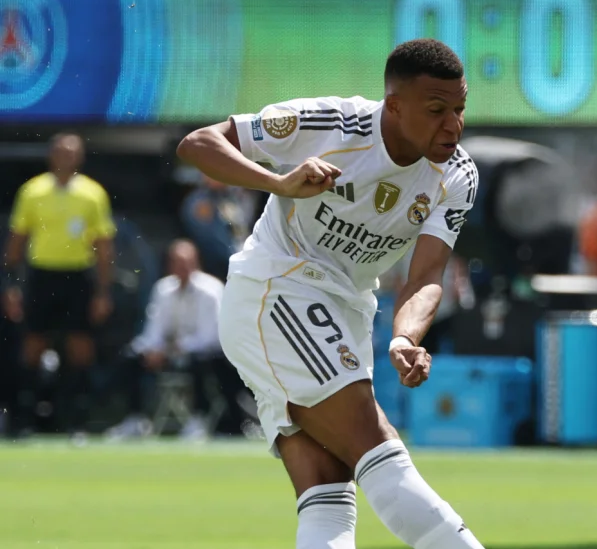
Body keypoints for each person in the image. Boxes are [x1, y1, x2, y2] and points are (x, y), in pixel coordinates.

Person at [176, 39, 485, 549]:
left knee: (328, 491)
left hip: (347, 309)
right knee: (376, 445)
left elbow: (426, 276)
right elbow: (198, 143)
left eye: (460, 109)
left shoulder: (457, 174)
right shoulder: (332, 124)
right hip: (278, 291)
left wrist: (405, 337)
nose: (453, 125)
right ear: (394, 106)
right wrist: (278, 182)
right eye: (437, 111)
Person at [4, 132, 115, 440]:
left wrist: (103, 292)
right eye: (61, 151)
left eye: (72, 152)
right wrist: (10, 284)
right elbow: (17, 241)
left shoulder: (93, 194)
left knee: (80, 348)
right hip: (41, 275)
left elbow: (103, 245)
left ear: (80, 157)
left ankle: (77, 422)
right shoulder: (32, 191)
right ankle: (23, 421)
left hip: (78, 275)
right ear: (51, 155)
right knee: (32, 347)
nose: (66, 157)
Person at [106, 239, 248, 441]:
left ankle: (199, 419)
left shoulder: (211, 290)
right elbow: (154, 330)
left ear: (196, 263)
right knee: (131, 358)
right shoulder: (162, 289)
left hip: (206, 356)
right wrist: (150, 351)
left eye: (187, 262)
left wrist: (173, 349)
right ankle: (135, 419)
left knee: (200, 361)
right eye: (177, 262)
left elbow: (210, 337)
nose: (183, 268)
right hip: (171, 354)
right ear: (169, 264)